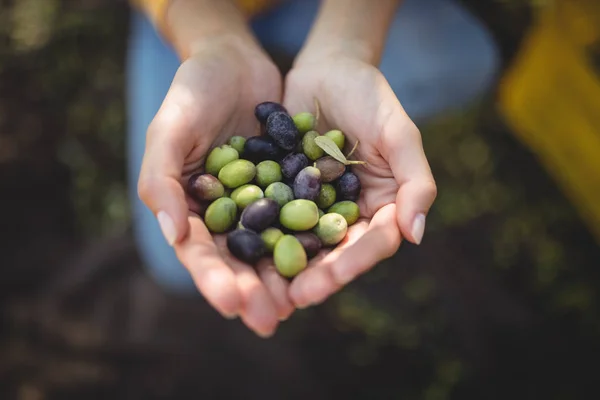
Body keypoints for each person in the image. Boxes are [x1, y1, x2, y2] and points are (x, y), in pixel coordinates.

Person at [127, 0, 499, 338]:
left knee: (467, 62)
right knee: (171, 260)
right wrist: (214, 42)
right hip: (193, 15)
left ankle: (343, 92)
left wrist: (346, 48)